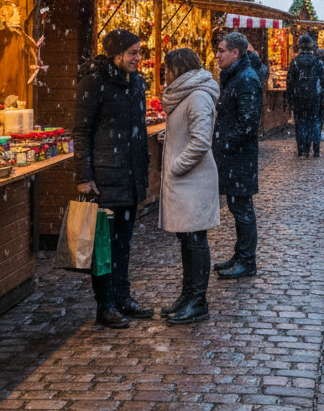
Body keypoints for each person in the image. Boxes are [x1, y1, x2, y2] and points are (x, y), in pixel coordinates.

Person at [73, 29, 155, 327]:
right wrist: (84, 175)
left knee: (124, 242)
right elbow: (81, 131)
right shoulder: (94, 82)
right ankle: (105, 305)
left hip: (130, 176)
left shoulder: (137, 83)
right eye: (132, 53)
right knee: (103, 245)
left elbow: (139, 130)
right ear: (116, 53)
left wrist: (142, 169)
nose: (138, 58)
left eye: (139, 52)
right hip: (104, 178)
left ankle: (123, 297)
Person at [157, 48, 221, 325]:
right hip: (186, 183)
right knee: (187, 239)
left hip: (193, 181)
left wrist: (176, 166)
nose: (165, 74)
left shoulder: (197, 96)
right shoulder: (187, 95)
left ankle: (198, 301)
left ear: (178, 69)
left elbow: (201, 141)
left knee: (195, 241)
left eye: (167, 68)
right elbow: (189, 133)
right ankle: (188, 295)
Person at [212, 32, 264, 280]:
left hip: (240, 157)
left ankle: (246, 260)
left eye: (222, 50)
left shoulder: (245, 79)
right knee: (237, 207)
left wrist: (224, 143)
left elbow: (248, 123)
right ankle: (240, 254)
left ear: (236, 53)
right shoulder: (237, 76)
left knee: (242, 209)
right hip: (234, 156)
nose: (217, 55)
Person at [286, 34, 324, 158]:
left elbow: (289, 82)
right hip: (314, 96)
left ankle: (302, 148)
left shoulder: (295, 62)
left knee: (300, 122)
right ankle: (315, 148)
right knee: (314, 121)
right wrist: (322, 94)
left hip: (299, 97)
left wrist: (290, 98)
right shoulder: (317, 62)